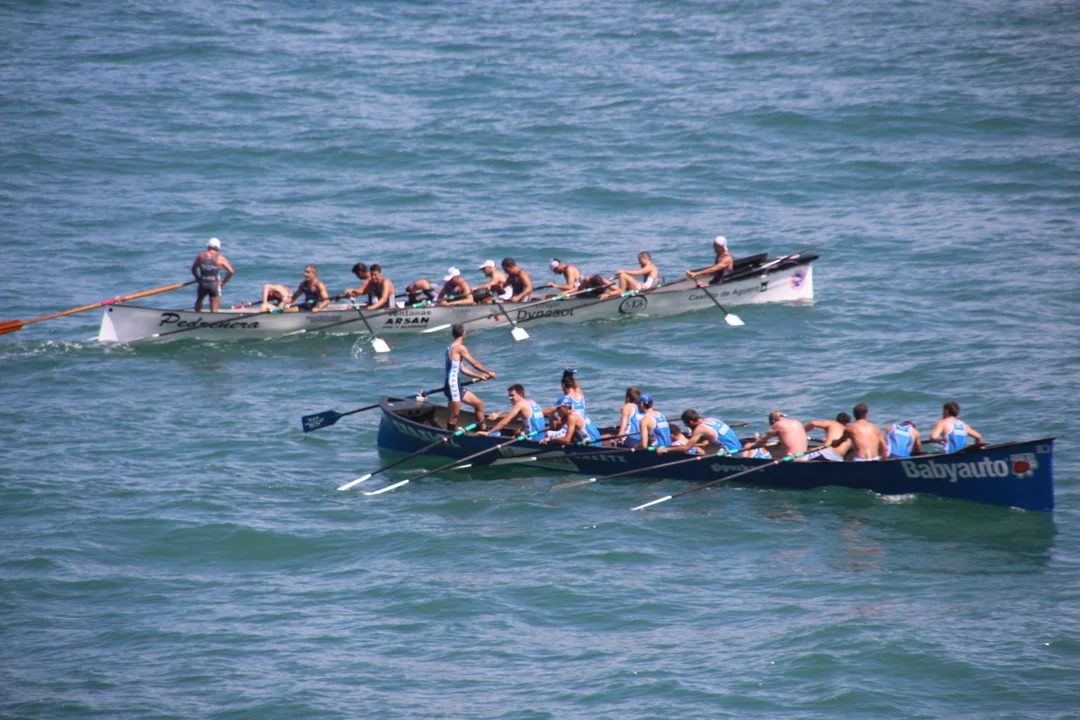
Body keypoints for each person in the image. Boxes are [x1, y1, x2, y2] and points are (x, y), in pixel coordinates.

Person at [444, 323, 496, 430]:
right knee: (454, 417)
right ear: (464, 334)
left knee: (479, 404)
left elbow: (462, 369)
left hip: (455, 385)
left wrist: (479, 376)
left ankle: (484, 431)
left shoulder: (450, 347)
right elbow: (475, 364)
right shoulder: (459, 348)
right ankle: (448, 435)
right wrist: (489, 372)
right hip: (453, 386)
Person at [546, 368, 602, 441]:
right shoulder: (580, 395)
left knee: (547, 434)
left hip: (572, 427)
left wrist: (551, 416)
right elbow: (577, 386)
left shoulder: (565, 400)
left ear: (563, 386)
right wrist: (570, 375)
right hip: (584, 426)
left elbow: (548, 412)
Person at [659, 410, 741, 455]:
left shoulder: (700, 429)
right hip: (739, 448)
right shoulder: (712, 420)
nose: (688, 427)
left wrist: (666, 449)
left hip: (731, 453)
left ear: (691, 422)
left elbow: (685, 449)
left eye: (687, 425)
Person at [479, 384, 547, 437]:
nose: (510, 398)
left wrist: (489, 433)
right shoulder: (531, 402)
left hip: (532, 439)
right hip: (541, 437)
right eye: (509, 395)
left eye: (512, 395)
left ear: (520, 394)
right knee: (514, 432)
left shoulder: (520, 405)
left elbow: (504, 423)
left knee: (495, 433)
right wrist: (497, 416)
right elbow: (515, 417)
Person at [192, 238, 235, 312]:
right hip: (214, 285)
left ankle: (195, 316)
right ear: (218, 248)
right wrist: (223, 282)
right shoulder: (220, 258)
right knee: (214, 310)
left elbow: (193, 269)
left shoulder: (201, 256)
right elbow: (231, 271)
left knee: (199, 300)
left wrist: (198, 278)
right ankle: (213, 318)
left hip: (203, 283)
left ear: (208, 246)